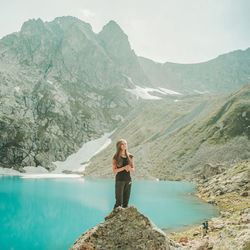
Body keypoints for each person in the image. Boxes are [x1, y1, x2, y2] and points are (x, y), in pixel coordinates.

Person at [113, 139, 135, 209]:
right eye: (122, 144)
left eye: (125, 144)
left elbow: (133, 170)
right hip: (119, 180)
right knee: (118, 202)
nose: (124, 145)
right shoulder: (116, 157)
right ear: (119, 146)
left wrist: (129, 168)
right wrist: (124, 168)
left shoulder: (130, 156)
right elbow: (114, 170)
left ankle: (124, 219)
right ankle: (113, 219)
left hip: (128, 180)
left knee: (126, 203)